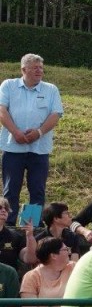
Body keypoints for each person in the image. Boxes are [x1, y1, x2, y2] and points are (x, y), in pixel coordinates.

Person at [0, 53, 64, 222]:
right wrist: (15, 132)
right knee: (10, 191)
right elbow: (2, 110)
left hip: (39, 150)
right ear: (23, 69)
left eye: (41, 68)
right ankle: (8, 226)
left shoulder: (51, 89)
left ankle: (29, 226)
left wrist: (39, 132)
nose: (39, 71)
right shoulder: (8, 85)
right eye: (35, 67)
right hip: (13, 149)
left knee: (37, 191)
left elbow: (56, 114)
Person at [20, 236, 75, 307]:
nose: (69, 252)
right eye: (65, 249)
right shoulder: (31, 276)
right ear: (53, 256)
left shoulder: (74, 267)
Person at [0, 196, 37, 270]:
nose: (3, 210)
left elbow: (30, 259)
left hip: (8, 277)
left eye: (6, 208)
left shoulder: (15, 236)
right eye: (0, 208)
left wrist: (30, 236)